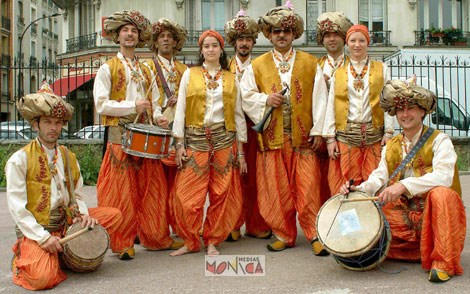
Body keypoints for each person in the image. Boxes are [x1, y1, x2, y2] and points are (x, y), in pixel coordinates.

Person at [339, 79, 466, 283]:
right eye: (400, 110)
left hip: (434, 214)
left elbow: (444, 176)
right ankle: (353, 249)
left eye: (411, 109)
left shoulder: (440, 140)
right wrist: (357, 189)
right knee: (365, 204)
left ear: (423, 111)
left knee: (442, 194)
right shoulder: (391, 146)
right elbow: (379, 177)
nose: (405, 115)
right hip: (405, 212)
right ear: (394, 114)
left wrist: (403, 186)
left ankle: (443, 261)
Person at [6, 83, 123, 290]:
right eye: (48, 122)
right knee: (43, 279)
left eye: (58, 123)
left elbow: (77, 196)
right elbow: (18, 209)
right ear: (36, 125)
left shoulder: (69, 157)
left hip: (67, 223)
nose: (53, 128)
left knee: (114, 216)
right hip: (39, 229)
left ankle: (62, 253)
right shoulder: (19, 160)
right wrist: (43, 238)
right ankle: (28, 256)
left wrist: (83, 215)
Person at [240, 2, 329, 255]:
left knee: (309, 188)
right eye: (276, 31)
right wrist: (264, 100)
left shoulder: (311, 63)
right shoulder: (256, 65)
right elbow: (245, 96)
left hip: (303, 139)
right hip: (272, 139)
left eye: (286, 31)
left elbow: (321, 100)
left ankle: (314, 234)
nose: (281, 35)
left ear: (294, 34)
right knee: (276, 190)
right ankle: (283, 233)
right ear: (269, 35)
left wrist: (318, 131)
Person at [93, 10, 182, 261]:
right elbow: (101, 105)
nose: (130, 34)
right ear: (117, 36)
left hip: (145, 137)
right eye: (125, 30)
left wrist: (159, 118)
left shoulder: (145, 69)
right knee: (122, 193)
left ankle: (155, 237)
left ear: (139, 36)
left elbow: (152, 104)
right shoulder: (107, 68)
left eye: (133, 30)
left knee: (152, 190)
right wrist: (133, 106)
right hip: (119, 137)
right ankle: (122, 243)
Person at [170, 30, 247, 257]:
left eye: (215, 46)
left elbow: (238, 114)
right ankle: (191, 240)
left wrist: (241, 153)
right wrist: (179, 144)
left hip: (224, 141)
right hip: (195, 141)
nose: (211, 49)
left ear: (221, 50)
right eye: (207, 46)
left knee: (221, 195)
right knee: (186, 197)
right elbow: (181, 109)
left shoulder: (231, 78)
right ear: (201, 50)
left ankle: (213, 240)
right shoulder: (189, 74)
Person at [323, 24, 395, 195]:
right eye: (353, 40)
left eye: (361, 40)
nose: (357, 45)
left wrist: (389, 133)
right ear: (347, 44)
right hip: (347, 138)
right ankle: (349, 220)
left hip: (374, 137)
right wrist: (330, 139)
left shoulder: (381, 69)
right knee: (348, 184)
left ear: (367, 43)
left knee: (375, 182)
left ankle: (375, 221)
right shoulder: (338, 73)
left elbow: (388, 102)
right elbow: (331, 105)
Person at [224, 9, 271, 242]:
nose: (244, 43)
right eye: (240, 39)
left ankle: (256, 223)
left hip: (256, 130)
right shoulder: (224, 69)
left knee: (255, 179)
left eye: (248, 40)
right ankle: (232, 223)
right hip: (230, 131)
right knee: (231, 179)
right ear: (234, 42)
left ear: (253, 42)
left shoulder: (262, 67)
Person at [144, 18, 188, 236]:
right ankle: (155, 229)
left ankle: (180, 226)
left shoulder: (183, 69)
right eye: (161, 36)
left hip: (179, 130)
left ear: (175, 41)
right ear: (155, 42)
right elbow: (144, 99)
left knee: (180, 181)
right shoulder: (148, 67)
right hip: (158, 128)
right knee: (156, 184)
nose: (166, 40)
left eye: (170, 36)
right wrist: (162, 107)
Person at [315, 11, 353, 202]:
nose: (331, 39)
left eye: (336, 35)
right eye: (327, 35)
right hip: (321, 132)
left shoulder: (353, 66)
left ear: (344, 38)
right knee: (320, 181)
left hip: (348, 131)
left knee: (345, 179)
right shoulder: (315, 66)